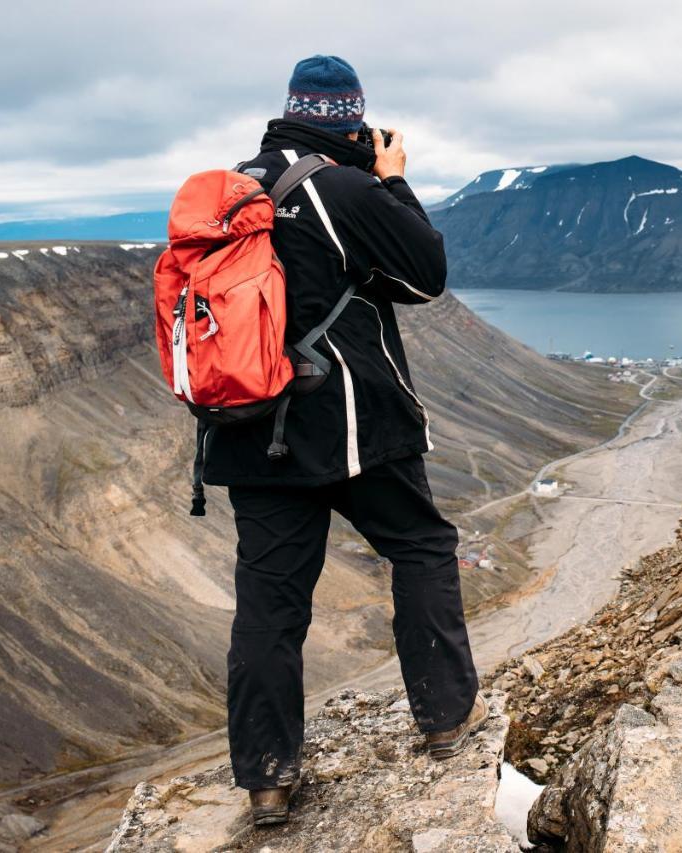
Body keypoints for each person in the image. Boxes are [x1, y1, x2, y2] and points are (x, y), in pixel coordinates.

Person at [200, 55, 483, 827]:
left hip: (250, 430)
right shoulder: (344, 187)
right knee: (422, 544)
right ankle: (445, 717)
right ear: (350, 115)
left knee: (269, 604)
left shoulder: (237, 185)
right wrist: (392, 178)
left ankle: (267, 777)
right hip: (353, 426)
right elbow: (425, 274)